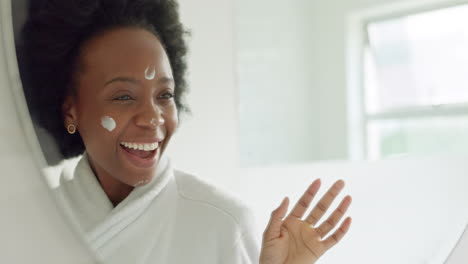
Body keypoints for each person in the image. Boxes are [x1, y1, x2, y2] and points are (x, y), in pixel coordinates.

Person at [18, 0, 352, 263]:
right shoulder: (27, 224)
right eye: (123, 96)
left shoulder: (223, 226)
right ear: (70, 110)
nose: (153, 118)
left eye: (164, 95)